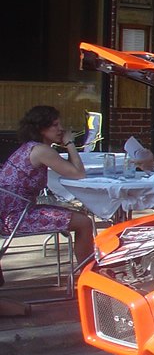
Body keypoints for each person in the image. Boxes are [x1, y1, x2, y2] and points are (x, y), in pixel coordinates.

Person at [0, 105, 94, 285]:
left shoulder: (30, 147)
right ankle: (88, 278)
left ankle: (87, 273)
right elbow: (78, 173)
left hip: (10, 213)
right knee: (84, 222)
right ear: (40, 129)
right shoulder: (42, 151)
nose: (61, 129)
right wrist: (69, 143)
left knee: (77, 214)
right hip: (16, 218)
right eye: (55, 125)